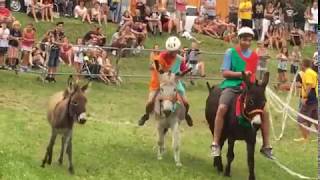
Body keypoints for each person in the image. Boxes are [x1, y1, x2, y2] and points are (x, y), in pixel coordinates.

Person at [211, 27, 273, 159]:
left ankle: (266, 145)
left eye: (250, 40)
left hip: (248, 88)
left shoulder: (254, 56)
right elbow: (225, 73)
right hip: (232, 86)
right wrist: (241, 74)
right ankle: (216, 143)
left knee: (265, 111)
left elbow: (252, 75)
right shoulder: (231, 52)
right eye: (245, 40)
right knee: (222, 107)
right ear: (239, 39)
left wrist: (258, 84)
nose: (247, 43)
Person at [138, 36, 193, 127]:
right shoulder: (162, 56)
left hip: (174, 82)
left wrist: (182, 73)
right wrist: (158, 67)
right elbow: (155, 64)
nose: (173, 53)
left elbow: (184, 71)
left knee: (186, 103)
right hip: (161, 82)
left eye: (174, 51)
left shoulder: (180, 59)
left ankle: (186, 114)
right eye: (171, 51)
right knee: (150, 101)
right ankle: (146, 115)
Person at [294, 59, 318, 142]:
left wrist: (304, 97)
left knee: (300, 119)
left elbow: (309, 85)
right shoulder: (313, 72)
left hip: (310, 98)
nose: (300, 65)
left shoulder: (308, 73)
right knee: (316, 119)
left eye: (301, 64)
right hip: (315, 98)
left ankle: (305, 138)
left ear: (303, 65)